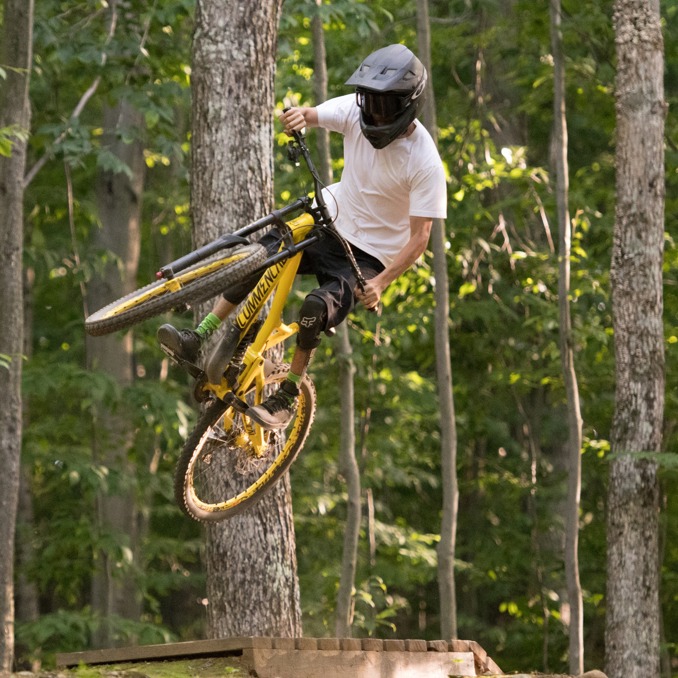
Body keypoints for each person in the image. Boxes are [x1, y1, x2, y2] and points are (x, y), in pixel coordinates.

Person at [157, 43, 447, 429]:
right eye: (370, 101)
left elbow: (419, 239)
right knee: (258, 257)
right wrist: (296, 117)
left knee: (314, 308)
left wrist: (380, 282)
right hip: (329, 220)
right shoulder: (355, 111)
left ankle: (288, 395)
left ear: (406, 104)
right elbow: (310, 115)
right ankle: (200, 334)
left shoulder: (424, 160)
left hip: (368, 256)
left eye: (384, 106)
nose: (373, 112)